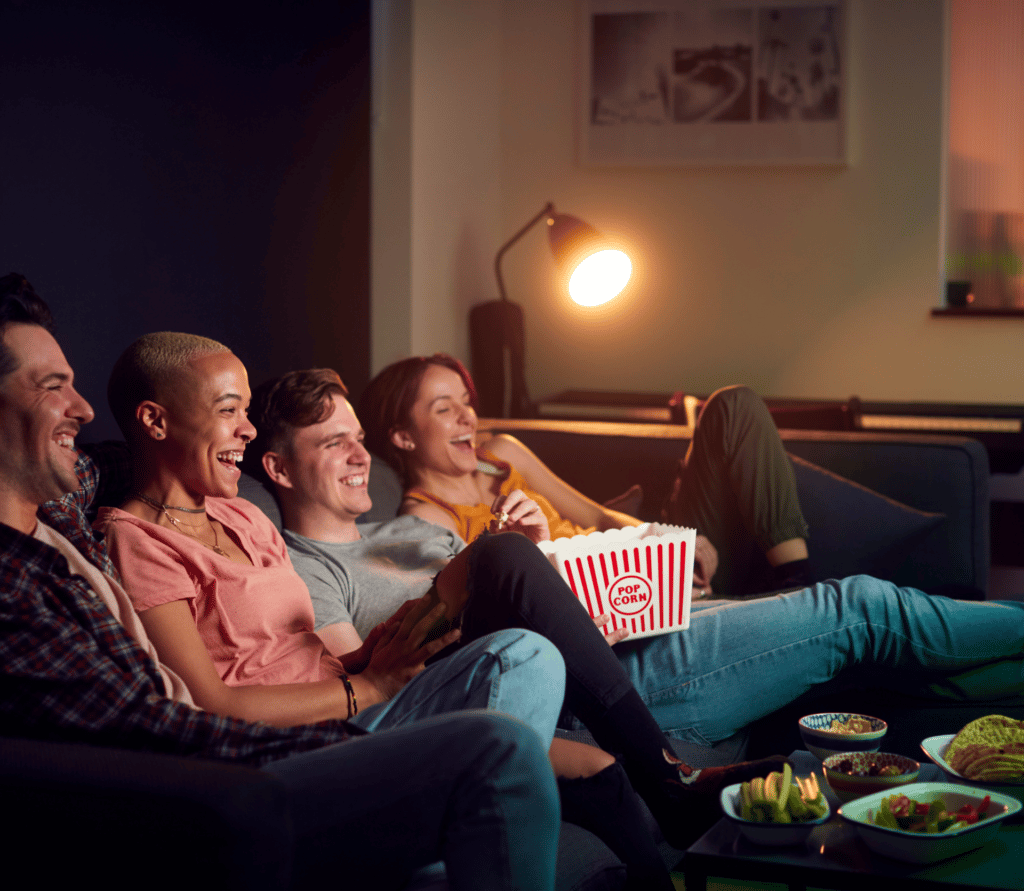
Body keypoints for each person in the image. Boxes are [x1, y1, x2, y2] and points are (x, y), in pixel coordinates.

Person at [101, 335, 788, 888]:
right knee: (514, 609)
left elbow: (307, 647)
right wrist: (362, 686)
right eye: (229, 409)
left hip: (356, 688)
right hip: (314, 739)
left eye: (248, 409)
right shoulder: (135, 540)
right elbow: (206, 701)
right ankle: (667, 777)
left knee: (525, 623)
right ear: (155, 419)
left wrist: (376, 653)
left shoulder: (244, 514)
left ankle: (661, 790)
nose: (246, 430)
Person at [0, 274, 565, 891]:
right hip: (233, 775)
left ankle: (468, 818)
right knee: (497, 747)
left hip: (330, 711)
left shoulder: (64, 510)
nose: (80, 409)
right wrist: (365, 701)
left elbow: (103, 457)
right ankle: (453, 828)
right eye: (52, 387)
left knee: (524, 654)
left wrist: (378, 654)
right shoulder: (30, 577)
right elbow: (170, 726)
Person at [257, 366, 1024, 759]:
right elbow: (356, 692)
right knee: (858, 607)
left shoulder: (410, 532)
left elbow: (542, 580)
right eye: (335, 442)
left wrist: (520, 546)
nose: (358, 454)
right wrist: (482, 582)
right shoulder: (304, 566)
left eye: (356, 436)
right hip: (609, 689)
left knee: (881, 650)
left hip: (631, 630)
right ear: (280, 470)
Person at [359, 354, 812, 598]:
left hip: (659, 564)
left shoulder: (500, 454)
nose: (467, 417)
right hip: (617, 600)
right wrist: (649, 581)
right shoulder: (427, 521)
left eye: (465, 401)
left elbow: (597, 517)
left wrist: (669, 540)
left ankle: (797, 580)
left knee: (733, 406)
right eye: (444, 409)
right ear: (402, 437)